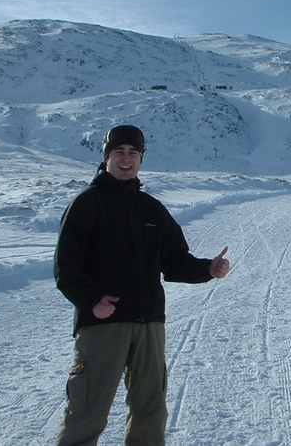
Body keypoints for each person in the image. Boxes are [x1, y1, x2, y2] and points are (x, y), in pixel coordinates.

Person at [54, 125, 230, 446]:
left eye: (133, 153)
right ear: (107, 159)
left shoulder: (151, 209)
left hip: (149, 324)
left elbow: (175, 261)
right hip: (102, 325)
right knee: (87, 410)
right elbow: (66, 268)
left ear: (140, 160)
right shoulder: (87, 204)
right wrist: (93, 300)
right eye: (118, 153)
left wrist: (207, 268)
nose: (126, 159)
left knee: (150, 410)